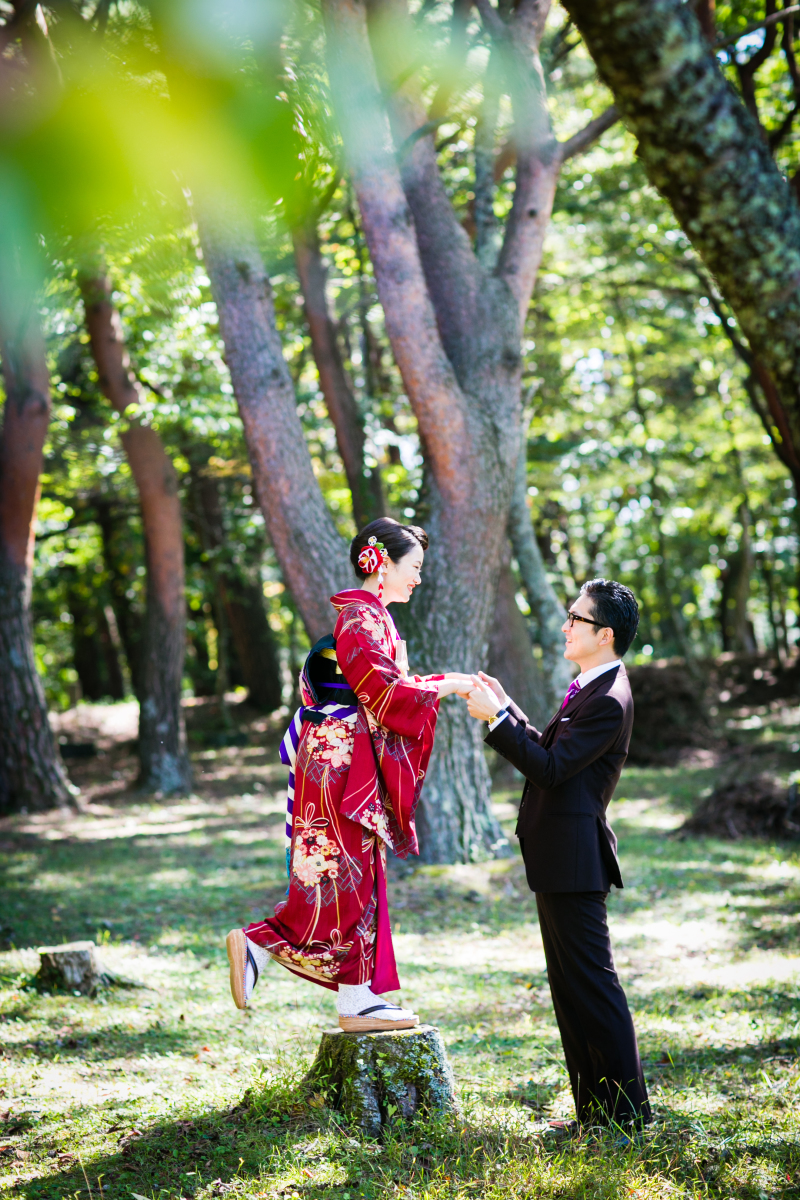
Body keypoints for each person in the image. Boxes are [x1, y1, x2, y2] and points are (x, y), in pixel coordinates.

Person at [226, 518, 473, 1032]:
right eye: (415, 568)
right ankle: (267, 945)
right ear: (380, 564)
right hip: (341, 761)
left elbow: (383, 691)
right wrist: (447, 685)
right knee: (345, 877)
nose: (419, 579)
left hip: (341, 757)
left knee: (352, 877)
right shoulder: (361, 620)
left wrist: (440, 682)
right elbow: (385, 697)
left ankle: (354, 996)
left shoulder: (368, 618)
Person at [464, 578, 651, 1133]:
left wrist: (495, 723)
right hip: (557, 859)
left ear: (606, 634)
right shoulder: (590, 686)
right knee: (571, 992)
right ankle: (594, 1114)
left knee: (594, 988)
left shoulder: (609, 699)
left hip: (576, 861)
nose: (566, 626)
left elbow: (548, 769)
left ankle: (627, 1118)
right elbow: (554, 752)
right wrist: (506, 708)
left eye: (577, 619)